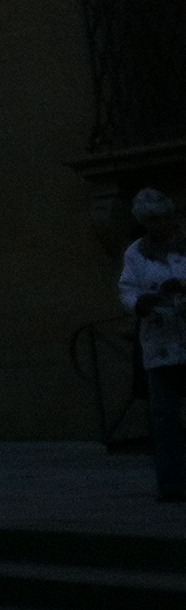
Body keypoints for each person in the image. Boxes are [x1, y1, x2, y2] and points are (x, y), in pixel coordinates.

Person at [121, 187, 186, 504]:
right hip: (159, 345)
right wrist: (140, 303)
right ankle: (172, 483)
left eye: (159, 219)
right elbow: (127, 289)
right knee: (164, 418)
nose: (154, 226)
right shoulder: (136, 252)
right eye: (148, 221)